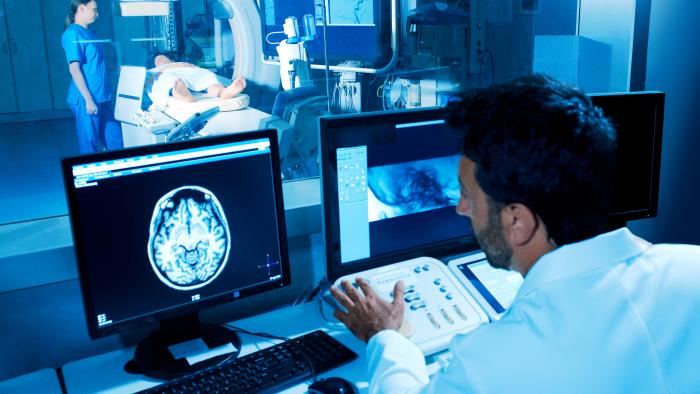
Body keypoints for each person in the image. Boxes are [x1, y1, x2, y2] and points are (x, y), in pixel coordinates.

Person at [330, 74, 700, 393]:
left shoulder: (492, 364)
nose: (460, 208)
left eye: (467, 194)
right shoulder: (691, 268)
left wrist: (384, 336)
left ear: (517, 222)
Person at [62, 0, 123, 153]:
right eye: (94, 9)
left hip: (102, 95)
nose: (97, 13)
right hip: (87, 99)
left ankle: (118, 175)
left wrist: (117, 69)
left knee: (115, 140)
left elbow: (95, 64)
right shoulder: (72, 34)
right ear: (81, 8)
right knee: (90, 145)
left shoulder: (90, 32)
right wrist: (88, 99)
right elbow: (74, 69)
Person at [147, 54, 246, 108]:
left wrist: (186, 66)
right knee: (169, 80)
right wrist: (168, 67)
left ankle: (224, 92)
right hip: (166, 76)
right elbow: (150, 81)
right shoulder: (154, 73)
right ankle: (182, 95)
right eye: (158, 61)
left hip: (193, 73)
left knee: (209, 78)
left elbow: (196, 70)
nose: (161, 61)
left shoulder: (181, 63)